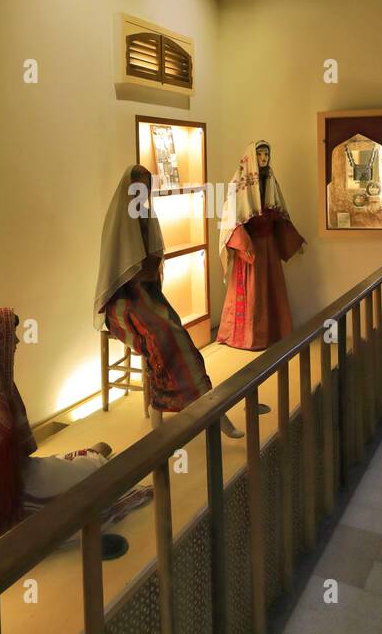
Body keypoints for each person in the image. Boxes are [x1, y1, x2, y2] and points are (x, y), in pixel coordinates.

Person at [0, 307, 151, 569]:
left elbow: (15, 452)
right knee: (86, 477)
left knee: (76, 466)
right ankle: (92, 459)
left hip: (12, 480)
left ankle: (91, 457)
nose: (16, 342)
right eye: (10, 336)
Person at [95, 165, 244, 437]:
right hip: (121, 302)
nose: (141, 193)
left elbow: (152, 259)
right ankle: (168, 411)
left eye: (145, 187)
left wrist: (149, 268)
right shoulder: (117, 220)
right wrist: (142, 269)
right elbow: (116, 275)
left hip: (147, 295)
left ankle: (207, 404)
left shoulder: (146, 215)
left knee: (177, 332)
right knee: (161, 335)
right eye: (136, 187)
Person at [216, 140, 305, 350]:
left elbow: (280, 213)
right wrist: (243, 243)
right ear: (251, 157)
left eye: (266, 155)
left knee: (270, 289)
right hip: (251, 247)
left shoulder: (271, 180)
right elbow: (231, 219)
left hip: (269, 246)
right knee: (253, 293)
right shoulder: (238, 183)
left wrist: (292, 239)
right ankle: (247, 337)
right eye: (260, 155)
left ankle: (274, 332)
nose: (264, 159)